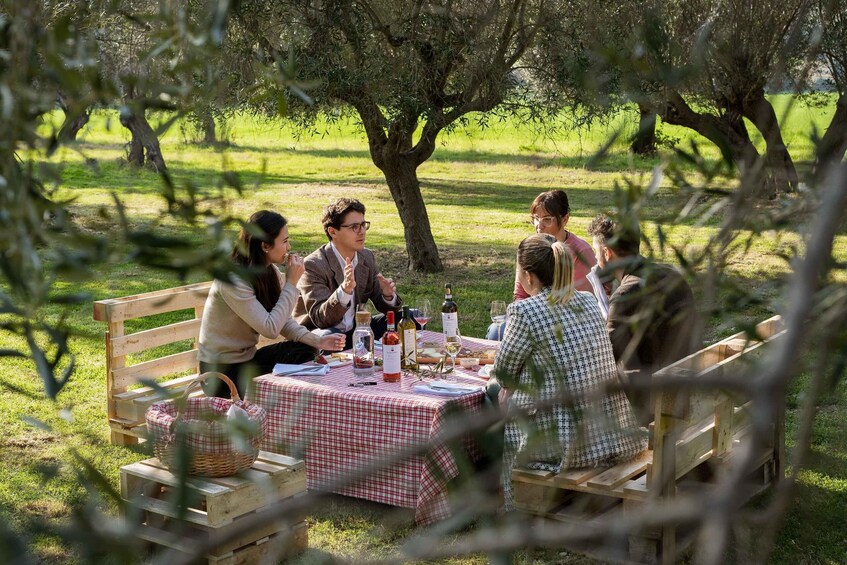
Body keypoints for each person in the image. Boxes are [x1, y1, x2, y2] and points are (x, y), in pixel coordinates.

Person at [494, 233, 647, 511]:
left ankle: (505, 494)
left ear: (528, 276)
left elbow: (503, 373)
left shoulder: (525, 311)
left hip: (561, 443)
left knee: (495, 394)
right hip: (605, 431)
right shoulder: (587, 301)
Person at [198, 210, 346, 397]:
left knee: (303, 350)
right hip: (221, 374)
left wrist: (317, 340)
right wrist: (291, 284)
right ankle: (280, 416)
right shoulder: (233, 279)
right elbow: (270, 329)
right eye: (284, 241)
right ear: (265, 246)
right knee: (297, 360)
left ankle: (311, 409)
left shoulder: (269, 272)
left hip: (247, 360)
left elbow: (283, 321)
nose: (289, 246)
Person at [587, 214, 701, 425]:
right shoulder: (672, 274)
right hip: (686, 388)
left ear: (606, 252)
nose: (595, 259)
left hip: (649, 406)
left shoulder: (625, 295)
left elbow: (603, 357)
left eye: (596, 253)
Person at [486, 189, 597, 340]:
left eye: (547, 219)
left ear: (565, 219)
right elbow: (519, 295)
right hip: (531, 315)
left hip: (566, 322)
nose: (539, 225)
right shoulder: (529, 247)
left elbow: (580, 303)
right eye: (536, 218)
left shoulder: (580, 252)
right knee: (496, 331)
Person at [294, 198, 403, 348]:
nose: (362, 232)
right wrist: (344, 291)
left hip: (356, 330)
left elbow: (384, 306)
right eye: (354, 227)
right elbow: (321, 320)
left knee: (407, 318)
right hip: (321, 336)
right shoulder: (314, 264)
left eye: (363, 225)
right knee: (329, 336)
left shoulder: (366, 257)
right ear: (333, 231)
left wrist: (388, 295)